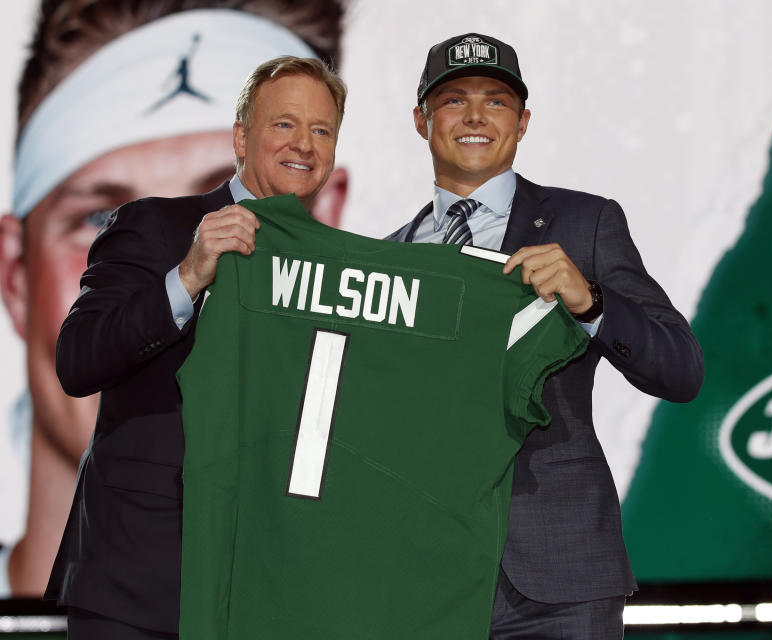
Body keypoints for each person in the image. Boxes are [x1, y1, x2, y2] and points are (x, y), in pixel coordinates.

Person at [0, 0, 347, 597]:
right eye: (95, 215)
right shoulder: (161, 240)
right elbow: (80, 360)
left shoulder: (347, 279)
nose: (302, 144)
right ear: (16, 274)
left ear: (333, 206)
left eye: (317, 130)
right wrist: (185, 276)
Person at [387, 33, 705, 639]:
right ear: (421, 120)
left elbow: (682, 370)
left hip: (558, 581)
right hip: (425, 577)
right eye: (454, 100)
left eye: (497, 101)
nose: (476, 116)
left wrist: (592, 303)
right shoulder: (386, 257)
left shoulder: (585, 223)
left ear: (523, 121)